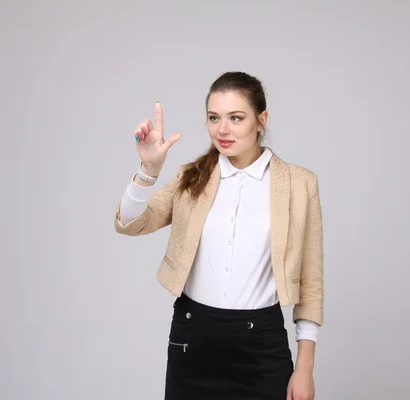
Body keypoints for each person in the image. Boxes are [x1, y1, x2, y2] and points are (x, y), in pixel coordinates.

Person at [114, 71, 324, 400]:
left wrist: (305, 367)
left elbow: (311, 279)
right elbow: (132, 222)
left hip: (262, 347)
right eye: (214, 118)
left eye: (235, 118)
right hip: (192, 339)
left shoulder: (299, 183)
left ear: (261, 119)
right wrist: (148, 171)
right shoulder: (191, 177)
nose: (222, 130)